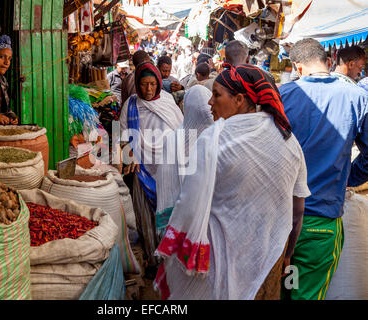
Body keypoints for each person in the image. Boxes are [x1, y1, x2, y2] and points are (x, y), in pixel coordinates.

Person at [154, 63, 310, 300]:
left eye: (216, 95)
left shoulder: (214, 138)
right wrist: (288, 251)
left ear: (239, 99)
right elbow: (297, 209)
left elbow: (190, 204)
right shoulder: (289, 140)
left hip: (222, 260)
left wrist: (175, 247)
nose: (210, 102)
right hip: (269, 258)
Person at [279, 38, 368, 300]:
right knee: (305, 293)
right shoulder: (357, 97)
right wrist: (349, 175)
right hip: (321, 222)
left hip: (281, 219)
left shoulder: (282, 96)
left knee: (281, 289)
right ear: (329, 63)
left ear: (297, 66)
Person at [119, 61, 183, 278]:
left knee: (168, 213)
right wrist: (130, 153)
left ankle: (169, 258)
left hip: (168, 169)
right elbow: (121, 134)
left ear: (158, 83)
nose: (148, 90)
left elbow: (180, 132)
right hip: (142, 168)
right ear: (137, 84)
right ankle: (153, 260)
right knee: (145, 215)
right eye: (144, 85)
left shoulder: (167, 102)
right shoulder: (131, 105)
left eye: (152, 84)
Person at [155, 85, 214, 236]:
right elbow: (167, 185)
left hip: (197, 222)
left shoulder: (213, 139)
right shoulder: (174, 142)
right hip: (191, 221)